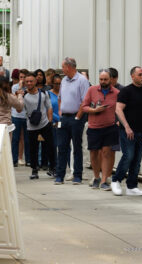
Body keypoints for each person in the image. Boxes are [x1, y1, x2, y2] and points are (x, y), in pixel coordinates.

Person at [111, 66, 142, 196]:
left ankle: (132, 186)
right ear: (132, 76)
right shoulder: (126, 91)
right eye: (140, 75)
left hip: (141, 132)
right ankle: (116, 180)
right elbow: (118, 109)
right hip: (127, 131)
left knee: (137, 159)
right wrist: (127, 127)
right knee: (128, 156)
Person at [82, 69, 119, 190]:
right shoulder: (92, 90)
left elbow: (121, 109)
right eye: (101, 79)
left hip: (110, 127)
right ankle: (96, 177)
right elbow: (84, 107)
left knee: (106, 153)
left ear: (111, 80)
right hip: (94, 127)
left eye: (105, 79)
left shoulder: (117, 93)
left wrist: (118, 121)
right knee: (93, 153)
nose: (103, 81)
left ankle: (104, 180)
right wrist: (94, 110)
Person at [55, 57, 90, 185]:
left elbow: (85, 101)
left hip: (76, 117)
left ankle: (77, 176)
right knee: (62, 147)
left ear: (69, 67)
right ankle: (60, 176)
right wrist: (60, 112)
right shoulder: (64, 80)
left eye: (63, 67)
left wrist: (77, 117)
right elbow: (60, 98)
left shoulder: (82, 80)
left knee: (77, 147)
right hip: (64, 118)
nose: (62, 69)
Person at [23, 73, 56, 179]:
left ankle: (53, 168)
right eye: (27, 81)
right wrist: (19, 94)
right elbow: (19, 108)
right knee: (33, 149)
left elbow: (49, 107)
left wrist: (50, 121)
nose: (29, 83)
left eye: (31, 81)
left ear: (35, 82)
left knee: (50, 146)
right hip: (31, 125)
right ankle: (34, 169)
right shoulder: (23, 95)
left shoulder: (43, 93)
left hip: (45, 124)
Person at [11, 69, 30, 167]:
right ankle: (14, 159)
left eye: (24, 77)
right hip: (16, 115)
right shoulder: (14, 87)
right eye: (20, 77)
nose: (22, 79)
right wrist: (19, 88)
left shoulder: (29, 88)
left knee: (27, 138)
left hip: (26, 116)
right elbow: (14, 100)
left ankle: (28, 159)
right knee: (15, 138)